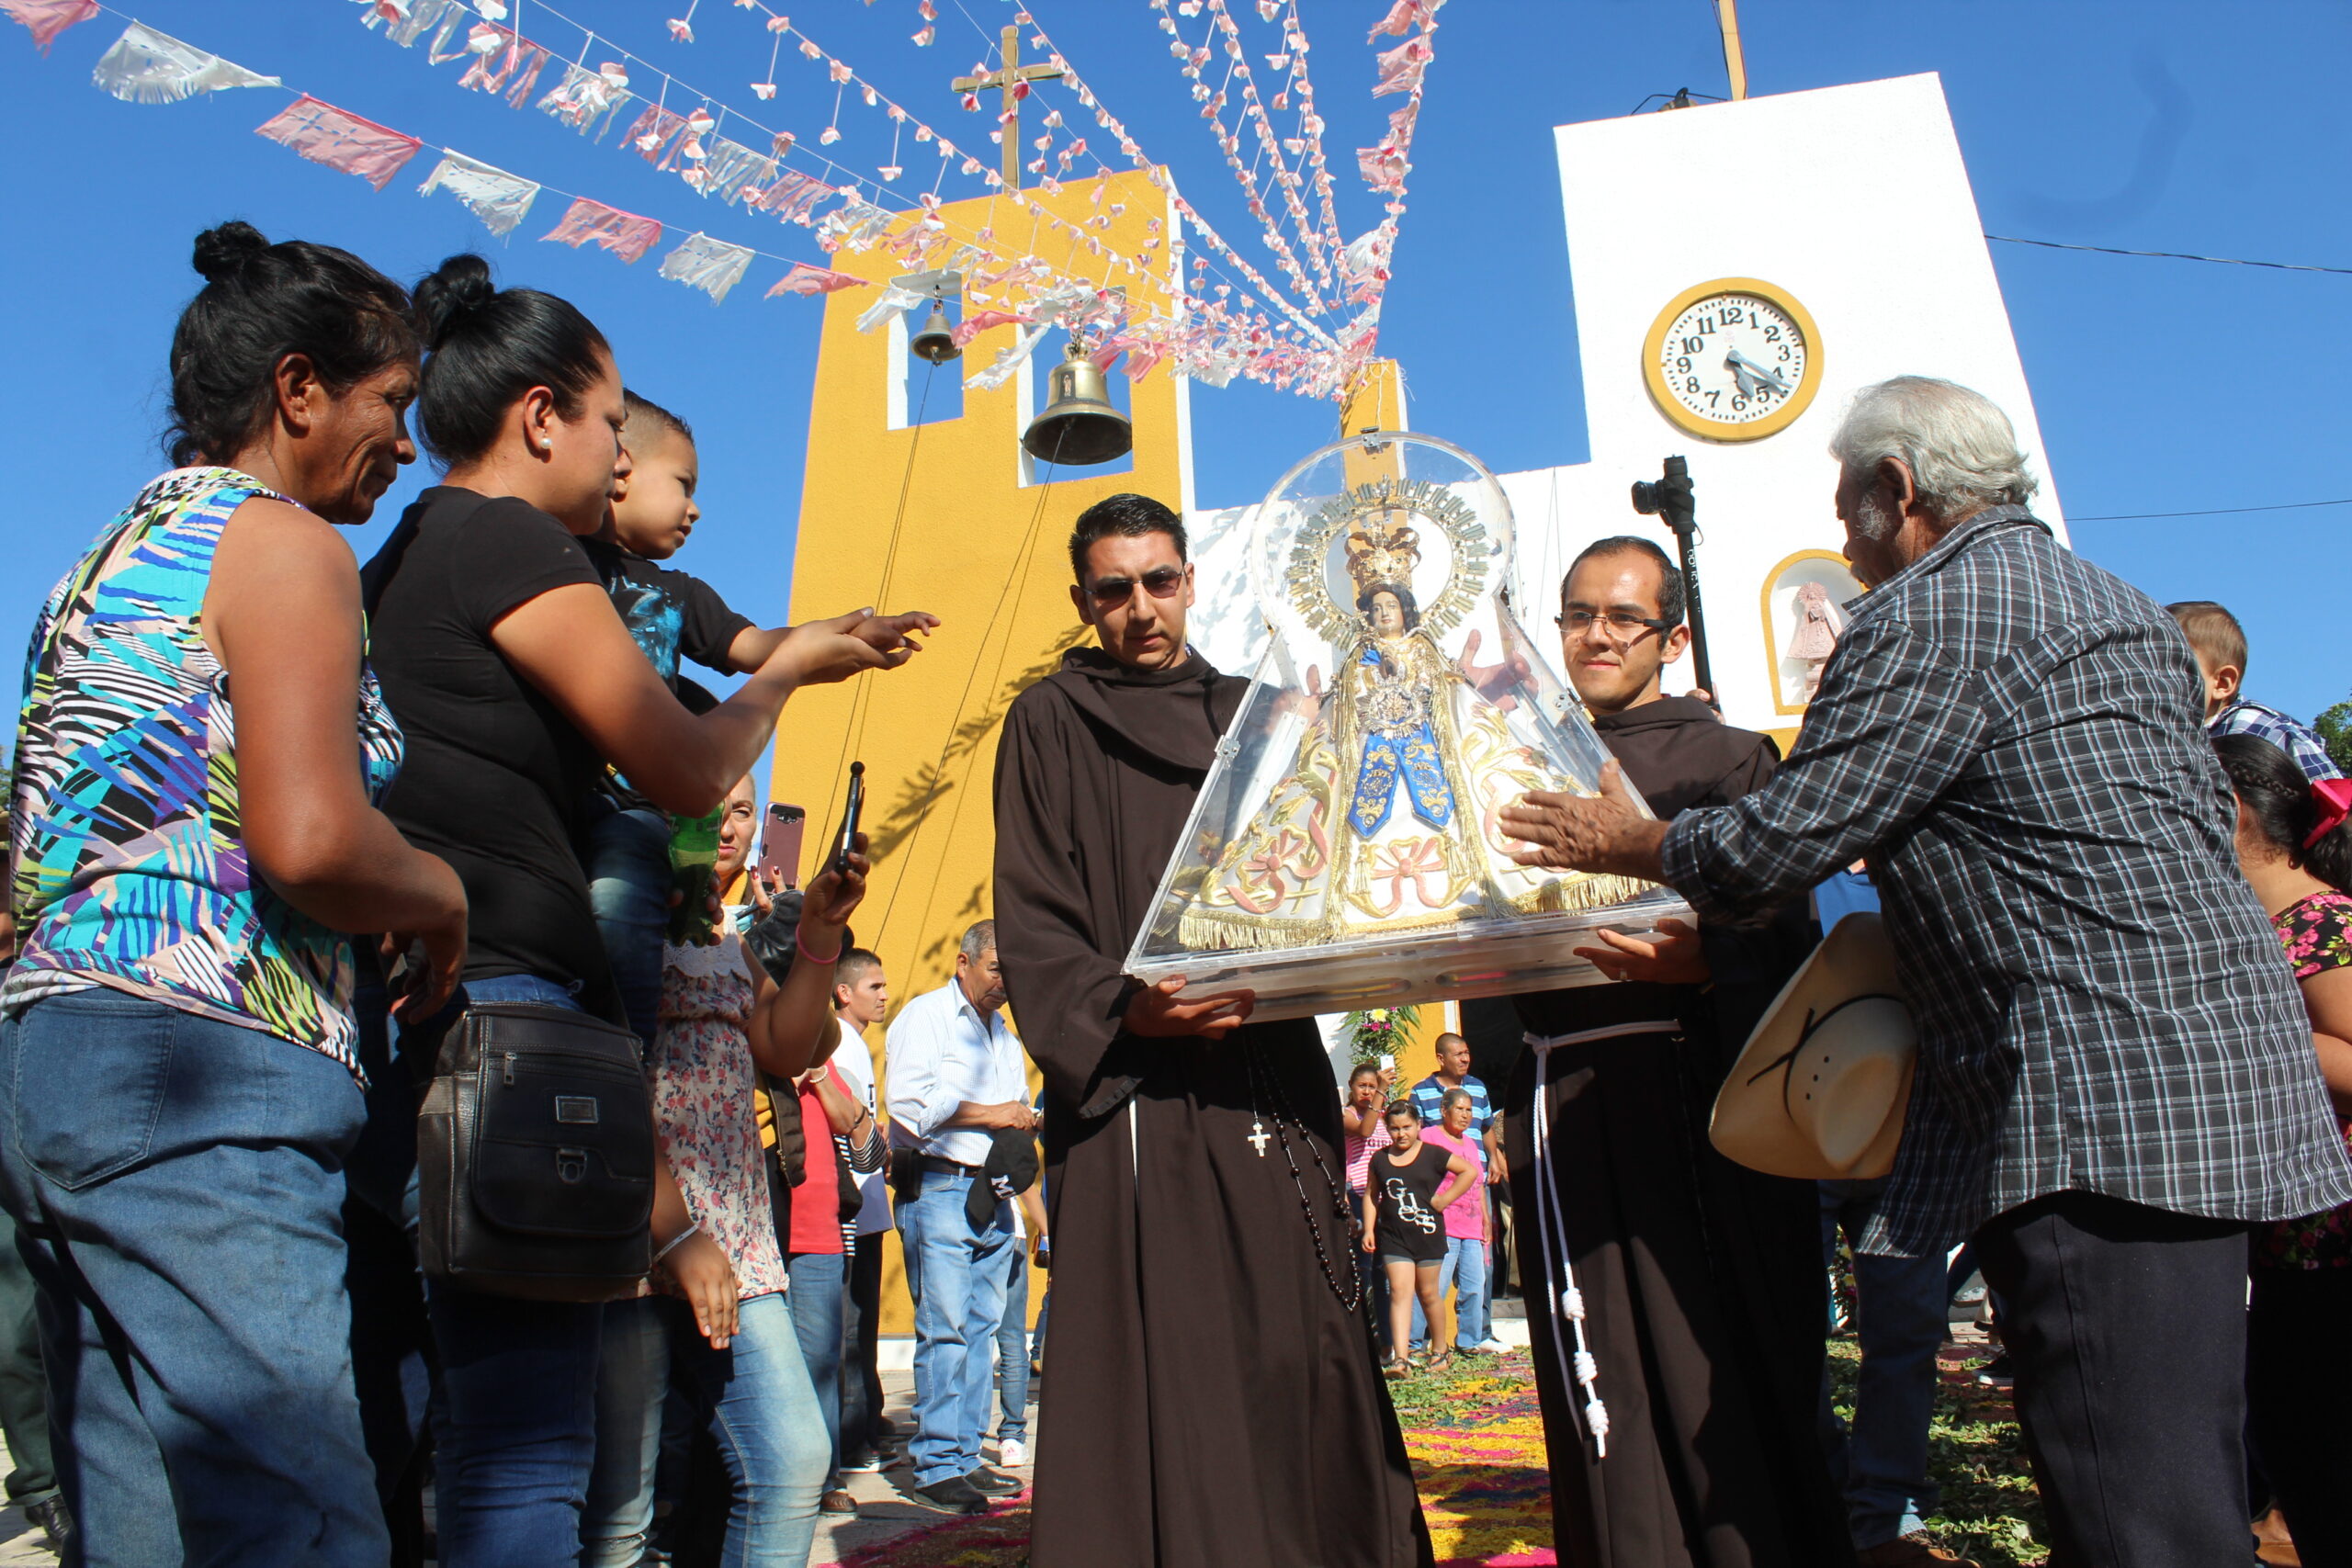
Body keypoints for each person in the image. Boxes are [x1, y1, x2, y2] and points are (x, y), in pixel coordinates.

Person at [1500, 376, 2352, 1568]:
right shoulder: (2106, 598)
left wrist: (1631, 840)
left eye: (1847, 515)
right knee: (2169, 1466)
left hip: (2089, 1103)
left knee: (2135, 1506)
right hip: (2205, 1087)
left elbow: (1783, 839)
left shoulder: (1928, 616)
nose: (1844, 546)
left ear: (1896, 490)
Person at [357, 252, 926, 1565]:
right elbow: (683, 762)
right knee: (532, 1450)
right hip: (514, 1022)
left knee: (486, 1432)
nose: (619, 459)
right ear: (544, 416)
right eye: (615, 425)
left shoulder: (405, 555)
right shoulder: (502, 536)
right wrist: (787, 675)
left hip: (467, 1012)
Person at [0, 222, 466, 1567]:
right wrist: (438, 897)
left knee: (142, 1519)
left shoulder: (102, 561)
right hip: (199, 1062)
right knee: (300, 1517)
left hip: (53, 1059)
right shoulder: (281, 542)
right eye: (393, 405)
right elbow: (311, 838)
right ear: (300, 389)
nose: (401, 439)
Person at [991, 491, 1432, 1568]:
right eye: (1113, 589)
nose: (1140, 608)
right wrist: (1122, 1008)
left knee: (1297, 1334)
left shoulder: (1261, 713)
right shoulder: (1050, 719)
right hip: (1134, 1081)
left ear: (1188, 580)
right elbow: (1035, 905)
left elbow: (1335, 870)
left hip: (1268, 1071)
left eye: (1158, 580)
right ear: (1083, 600)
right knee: (1168, 1350)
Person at [1494, 531, 1851, 1568]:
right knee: (1602, 1373)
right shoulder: (1517, 760)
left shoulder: (1730, 758)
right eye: (1577, 616)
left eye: (1621, 618)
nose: (1596, 636)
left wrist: (1700, 970)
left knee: (1725, 1363)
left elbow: (1789, 940)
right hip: (1568, 1102)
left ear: (1671, 636)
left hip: (1706, 1094)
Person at [582, 773, 863, 1567]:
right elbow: (607, 1072)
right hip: (638, 1227)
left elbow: (789, 1044)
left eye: (741, 809)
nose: (728, 826)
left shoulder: (726, 938)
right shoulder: (616, 911)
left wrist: (818, 931)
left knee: (794, 1456)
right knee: (621, 1506)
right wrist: (671, 1228)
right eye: (707, 810)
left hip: (734, 1235)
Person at [584, 390, 830, 1048]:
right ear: (621, 468)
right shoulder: (556, 563)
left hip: (639, 815)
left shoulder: (679, 592)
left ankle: (624, 1060)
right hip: (561, 800)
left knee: (622, 972)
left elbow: (754, 645)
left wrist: (838, 635)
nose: (695, 508)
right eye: (683, 484)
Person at [2214, 734, 2352, 1566]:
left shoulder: (2323, 920)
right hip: (2293, 1240)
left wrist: (2247, 1024)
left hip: (2335, 1239)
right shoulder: (2267, 924)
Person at [1809, 866, 1967, 1567]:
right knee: (1793, 1331)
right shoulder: (1798, 871)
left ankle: (1885, 1503)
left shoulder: (1938, 862)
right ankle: (1819, 1480)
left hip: (1911, 1143)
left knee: (1908, 1330)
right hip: (1802, 1138)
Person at [884, 920, 1033, 1515]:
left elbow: (1017, 1112)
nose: (1004, 981)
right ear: (963, 961)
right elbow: (912, 1106)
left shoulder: (1004, 1035)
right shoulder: (926, 1017)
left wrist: (1016, 1127)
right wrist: (997, 1114)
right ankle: (938, 1460)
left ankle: (966, 1454)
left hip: (989, 1191)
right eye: (997, 967)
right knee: (944, 1327)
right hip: (940, 1184)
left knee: (980, 1329)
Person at [828, 947, 898, 1473]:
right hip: (851, 1209)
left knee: (863, 1325)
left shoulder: (856, 1042)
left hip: (869, 1208)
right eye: (873, 986)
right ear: (843, 992)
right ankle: (853, 1440)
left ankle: (869, 1420)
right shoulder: (839, 1042)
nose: (884, 995)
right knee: (851, 1329)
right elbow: (848, 1127)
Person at [2168, 600, 2343, 783]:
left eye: (2170, 671)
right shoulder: (2170, 739)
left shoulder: (2262, 732)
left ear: (2222, 683)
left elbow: (2335, 800)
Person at [1363, 1101, 1478, 1377]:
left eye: (1407, 1127)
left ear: (1418, 1126)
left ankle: (1440, 1350)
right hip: (1393, 1238)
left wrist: (1444, 1200)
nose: (1401, 1134)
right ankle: (1400, 1359)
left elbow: (1469, 1172)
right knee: (1399, 1293)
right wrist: (1369, 1229)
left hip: (1427, 1235)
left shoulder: (1434, 1154)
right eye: (1395, 1128)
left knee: (1428, 1294)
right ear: (1387, 1128)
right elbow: (1371, 1196)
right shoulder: (1380, 1159)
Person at [1415, 1089, 1496, 1358]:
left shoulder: (1471, 1144)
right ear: (1444, 1110)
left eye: (1469, 1110)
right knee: (1433, 1288)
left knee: (1474, 1286)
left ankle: (1469, 1341)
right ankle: (1416, 1344)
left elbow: (1478, 1184)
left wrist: (1486, 1219)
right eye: (1460, 1109)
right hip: (1443, 1226)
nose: (1465, 1115)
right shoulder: (1429, 1137)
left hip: (1471, 1227)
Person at [1343, 1061, 1396, 1349]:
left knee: (1384, 1274)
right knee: (1362, 1271)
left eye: (1372, 1086)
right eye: (1362, 1086)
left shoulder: (1384, 1116)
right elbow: (1364, 1131)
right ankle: (1359, 1342)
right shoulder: (1347, 1114)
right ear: (1351, 1088)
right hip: (1358, 1196)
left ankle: (1388, 1343)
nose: (1367, 1091)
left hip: (1383, 1200)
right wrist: (1380, 1095)